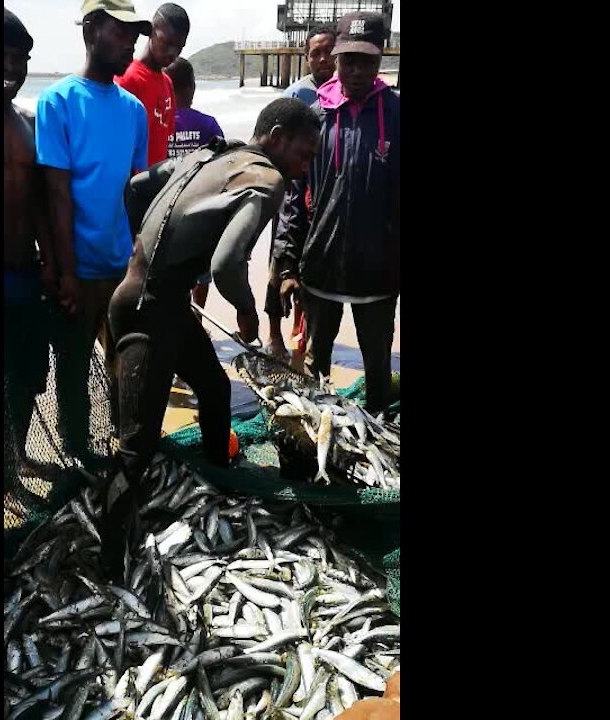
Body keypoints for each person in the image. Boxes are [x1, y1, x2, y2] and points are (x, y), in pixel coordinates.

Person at [99, 99, 322, 578]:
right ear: (278, 136)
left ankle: (216, 487)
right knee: (135, 447)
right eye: (304, 154)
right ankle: (112, 569)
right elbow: (226, 265)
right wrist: (246, 309)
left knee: (216, 390)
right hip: (149, 313)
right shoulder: (267, 179)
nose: (305, 167)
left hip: (154, 299)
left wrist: (152, 251)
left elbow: (136, 188)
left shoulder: (210, 155)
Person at [35, 0, 152, 456]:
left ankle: (124, 449)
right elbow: (57, 194)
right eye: (121, 31)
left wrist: (140, 264)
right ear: (90, 31)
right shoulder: (57, 102)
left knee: (126, 365)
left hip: (122, 269)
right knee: (73, 370)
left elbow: (134, 192)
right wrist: (66, 271)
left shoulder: (133, 110)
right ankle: (76, 456)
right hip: (77, 270)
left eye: (134, 34)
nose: (131, 42)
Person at [273, 11, 401, 415]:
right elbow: (293, 195)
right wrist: (286, 265)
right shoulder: (316, 116)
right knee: (315, 369)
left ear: (381, 59)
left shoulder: (396, 115)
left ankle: (379, 437)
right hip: (320, 267)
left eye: (367, 60)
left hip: (380, 273)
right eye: (349, 59)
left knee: (378, 368)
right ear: (336, 58)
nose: (357, 70)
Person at [3, 8, 54, 474]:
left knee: (27, 373)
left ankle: (15, 459)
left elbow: (42, 204)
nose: (14, 70)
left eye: (22, 60)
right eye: (6, 57)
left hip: (24, 273)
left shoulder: (28, 123)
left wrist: (51, 265)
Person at [271, 27, 337, 366]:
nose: (322, 59)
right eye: (315, 53)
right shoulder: (295, 95)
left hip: (322, 203)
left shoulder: (341, 100)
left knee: (313, 280)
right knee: (281, 267)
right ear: (306, 56)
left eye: (328, 52)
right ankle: (274, 333)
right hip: (289, 192)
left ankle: (305, 336)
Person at [163, 57, 225, 314]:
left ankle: (172, 316)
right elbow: (224, 166)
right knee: (201, 270)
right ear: (192, 87)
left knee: (167, 270)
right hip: (201, 209)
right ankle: (197, 316)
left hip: (164, 210)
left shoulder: (157, 122)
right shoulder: (207, 124)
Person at [116, 3, 190, 167]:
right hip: (131, 185)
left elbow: (163, 142)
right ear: (151, 32)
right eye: (166, 42)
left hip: (155, 185)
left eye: (179, 47)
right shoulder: (127, 79)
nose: (173, 52)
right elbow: (117, 143)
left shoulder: (167, 83)